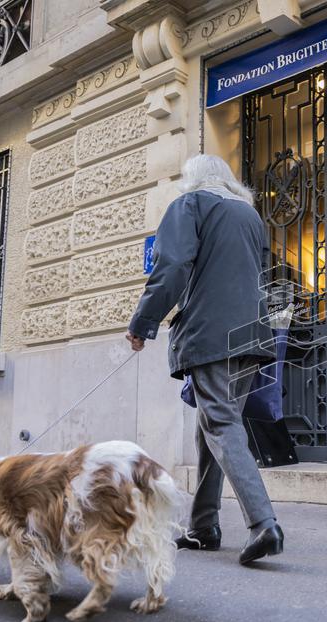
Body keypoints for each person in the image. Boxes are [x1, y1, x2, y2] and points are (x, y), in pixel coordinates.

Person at [126, 154, 283, 565]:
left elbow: (172, 265)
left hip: (213, 334)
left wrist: (143, 322)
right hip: (251, 333)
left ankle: (264, 523)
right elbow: (257, 274)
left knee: (220, 423)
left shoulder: (190, 205)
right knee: (211, 425)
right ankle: (204, 526)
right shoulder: (249, 216)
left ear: (191, 179)